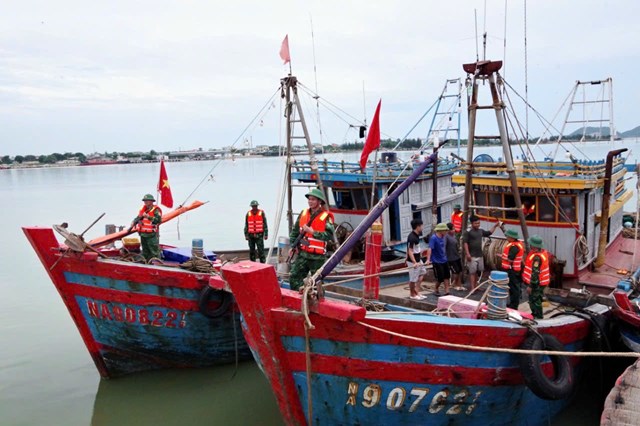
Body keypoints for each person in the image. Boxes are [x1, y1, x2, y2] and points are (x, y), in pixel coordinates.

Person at [289, 188, 335, 291]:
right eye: (309, 199)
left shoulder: (325, 217)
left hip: (317, 257)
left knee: (317, 282)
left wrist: (313, 232)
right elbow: (295, 232)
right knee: (294, 277)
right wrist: (292, 246)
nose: (310, 201)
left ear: (319, 202)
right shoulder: (303, 213)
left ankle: (318, 304)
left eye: (313, 199)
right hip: (303, 254)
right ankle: (299, 300)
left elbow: (329, 235)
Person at [462, 215, 500, 290]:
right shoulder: (468, 232)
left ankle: (476, 286)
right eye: (476, 223)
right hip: (472, 255)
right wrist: (468, 254)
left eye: (479, 223)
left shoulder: (480, 231)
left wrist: (495, 226)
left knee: (477, 271)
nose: (478, 225)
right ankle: (472, 288)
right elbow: (465, 243)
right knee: (472, 272)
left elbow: (489, 233)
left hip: (479, 254)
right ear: (472, 223)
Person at [522, 235, 550, 319]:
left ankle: (538, 316)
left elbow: (535, 273)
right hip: (541, 282)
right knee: (537, 298)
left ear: (534, 246)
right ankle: (535, 314)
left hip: (536, 283)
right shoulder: (541, 253)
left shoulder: (537, 258)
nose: (529, 245)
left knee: (534, 299)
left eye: (531, 244)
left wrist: (531, 286)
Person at [132, 194, 162, 261]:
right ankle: (146, 262)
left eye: (147, 200)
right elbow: (138, 217)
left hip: (151, 234)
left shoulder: (156, 210)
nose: (145, 202)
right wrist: (133, 222)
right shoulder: (143, 210)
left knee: (154, 251)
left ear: (151, 201)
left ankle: (157, 263)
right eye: (144, 201)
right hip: (143, 234)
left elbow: (158, 220)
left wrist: (148, 217)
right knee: (145, 251)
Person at [425, 223, 451, 296]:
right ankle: (436, 289)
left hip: (444, 259)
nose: (446, 232)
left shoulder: (444, 237)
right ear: (441, 230)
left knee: (447, 276)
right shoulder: (434, 238)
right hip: (437, 261)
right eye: (445, 230)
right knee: (440, 278)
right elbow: (430, 248)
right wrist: (428, 259)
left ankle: (447, 291)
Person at [501, 229, 525, 309]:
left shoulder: (514, 247)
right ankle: (512, 304)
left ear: (512, 237)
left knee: (514, 289)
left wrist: (502, 257)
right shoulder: (517, 244)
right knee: (512, 288)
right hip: (514, 269)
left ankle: (514, 306)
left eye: (508, 236)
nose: (506, 237)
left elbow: (510, 259)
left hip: (512, 270)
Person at [406, 218, 427, 300]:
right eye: (421, 226)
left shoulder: (417, 235)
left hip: (419, 259)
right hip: (413, 261)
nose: (422, 227)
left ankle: (416, 291)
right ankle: (412, 294)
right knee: (413, 278)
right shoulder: (411, 237)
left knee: (423, 272)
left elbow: (415, 248)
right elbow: (410, 251)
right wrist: (414, 262)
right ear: (417, 226)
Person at [445, 222, 463, 290]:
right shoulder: (446, 237)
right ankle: (454, 284)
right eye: (452, 229)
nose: (454, 230)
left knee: (460, 271)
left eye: (454, 228)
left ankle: (459, 285)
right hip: (450, 258)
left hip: (456, 256)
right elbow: (444, 247)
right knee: (455, 272)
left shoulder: (454, 236)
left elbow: (456, 245)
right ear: (448, 230)